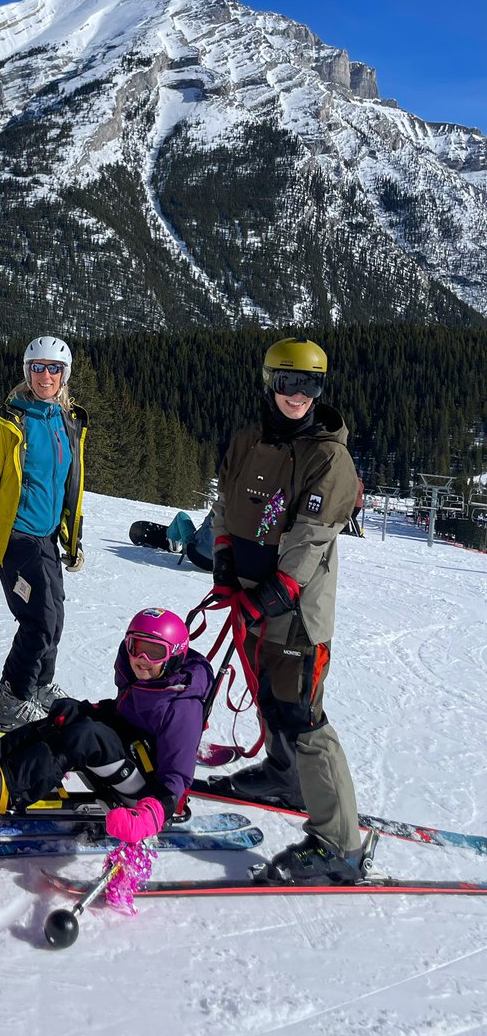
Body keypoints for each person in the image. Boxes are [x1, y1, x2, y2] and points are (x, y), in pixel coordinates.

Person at [210, 336, 370, 882]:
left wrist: (275, 592)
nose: (298, 395)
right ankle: (286, 776)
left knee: (302, 717)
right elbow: (225, 505)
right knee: (269, 699)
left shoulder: (329, 457)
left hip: (296, 612)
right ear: (269, 382)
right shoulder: (247, 440)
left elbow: (311, 538)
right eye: (288, 382)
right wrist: (224, 558)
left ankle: (341, 845)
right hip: (252, 601)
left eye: (310, 385)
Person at [0, 609, 212, 843]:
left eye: (154, 652)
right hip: (132, 748)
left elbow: (176, 777)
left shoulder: (182, 707)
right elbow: (126, 713)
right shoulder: (151, 680)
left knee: (85, 736)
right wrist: (85, 710)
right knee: (68, 714)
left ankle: (11, 788)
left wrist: (150, 815)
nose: (141, 659)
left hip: (148, 790)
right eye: (136, 647)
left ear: (174, 655)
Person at [0, 336, 87, 727]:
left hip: (46, 537)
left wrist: (72, 538)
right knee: (39, 621)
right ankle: (12, 699)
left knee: (55, 616)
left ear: (64, 374)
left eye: (54, 369)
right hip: (16, 537)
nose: (45, 376)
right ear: (27, 371)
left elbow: (68, 486)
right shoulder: (7, 425)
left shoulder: (66, 423)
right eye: (38, 367)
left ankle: (39, 685)